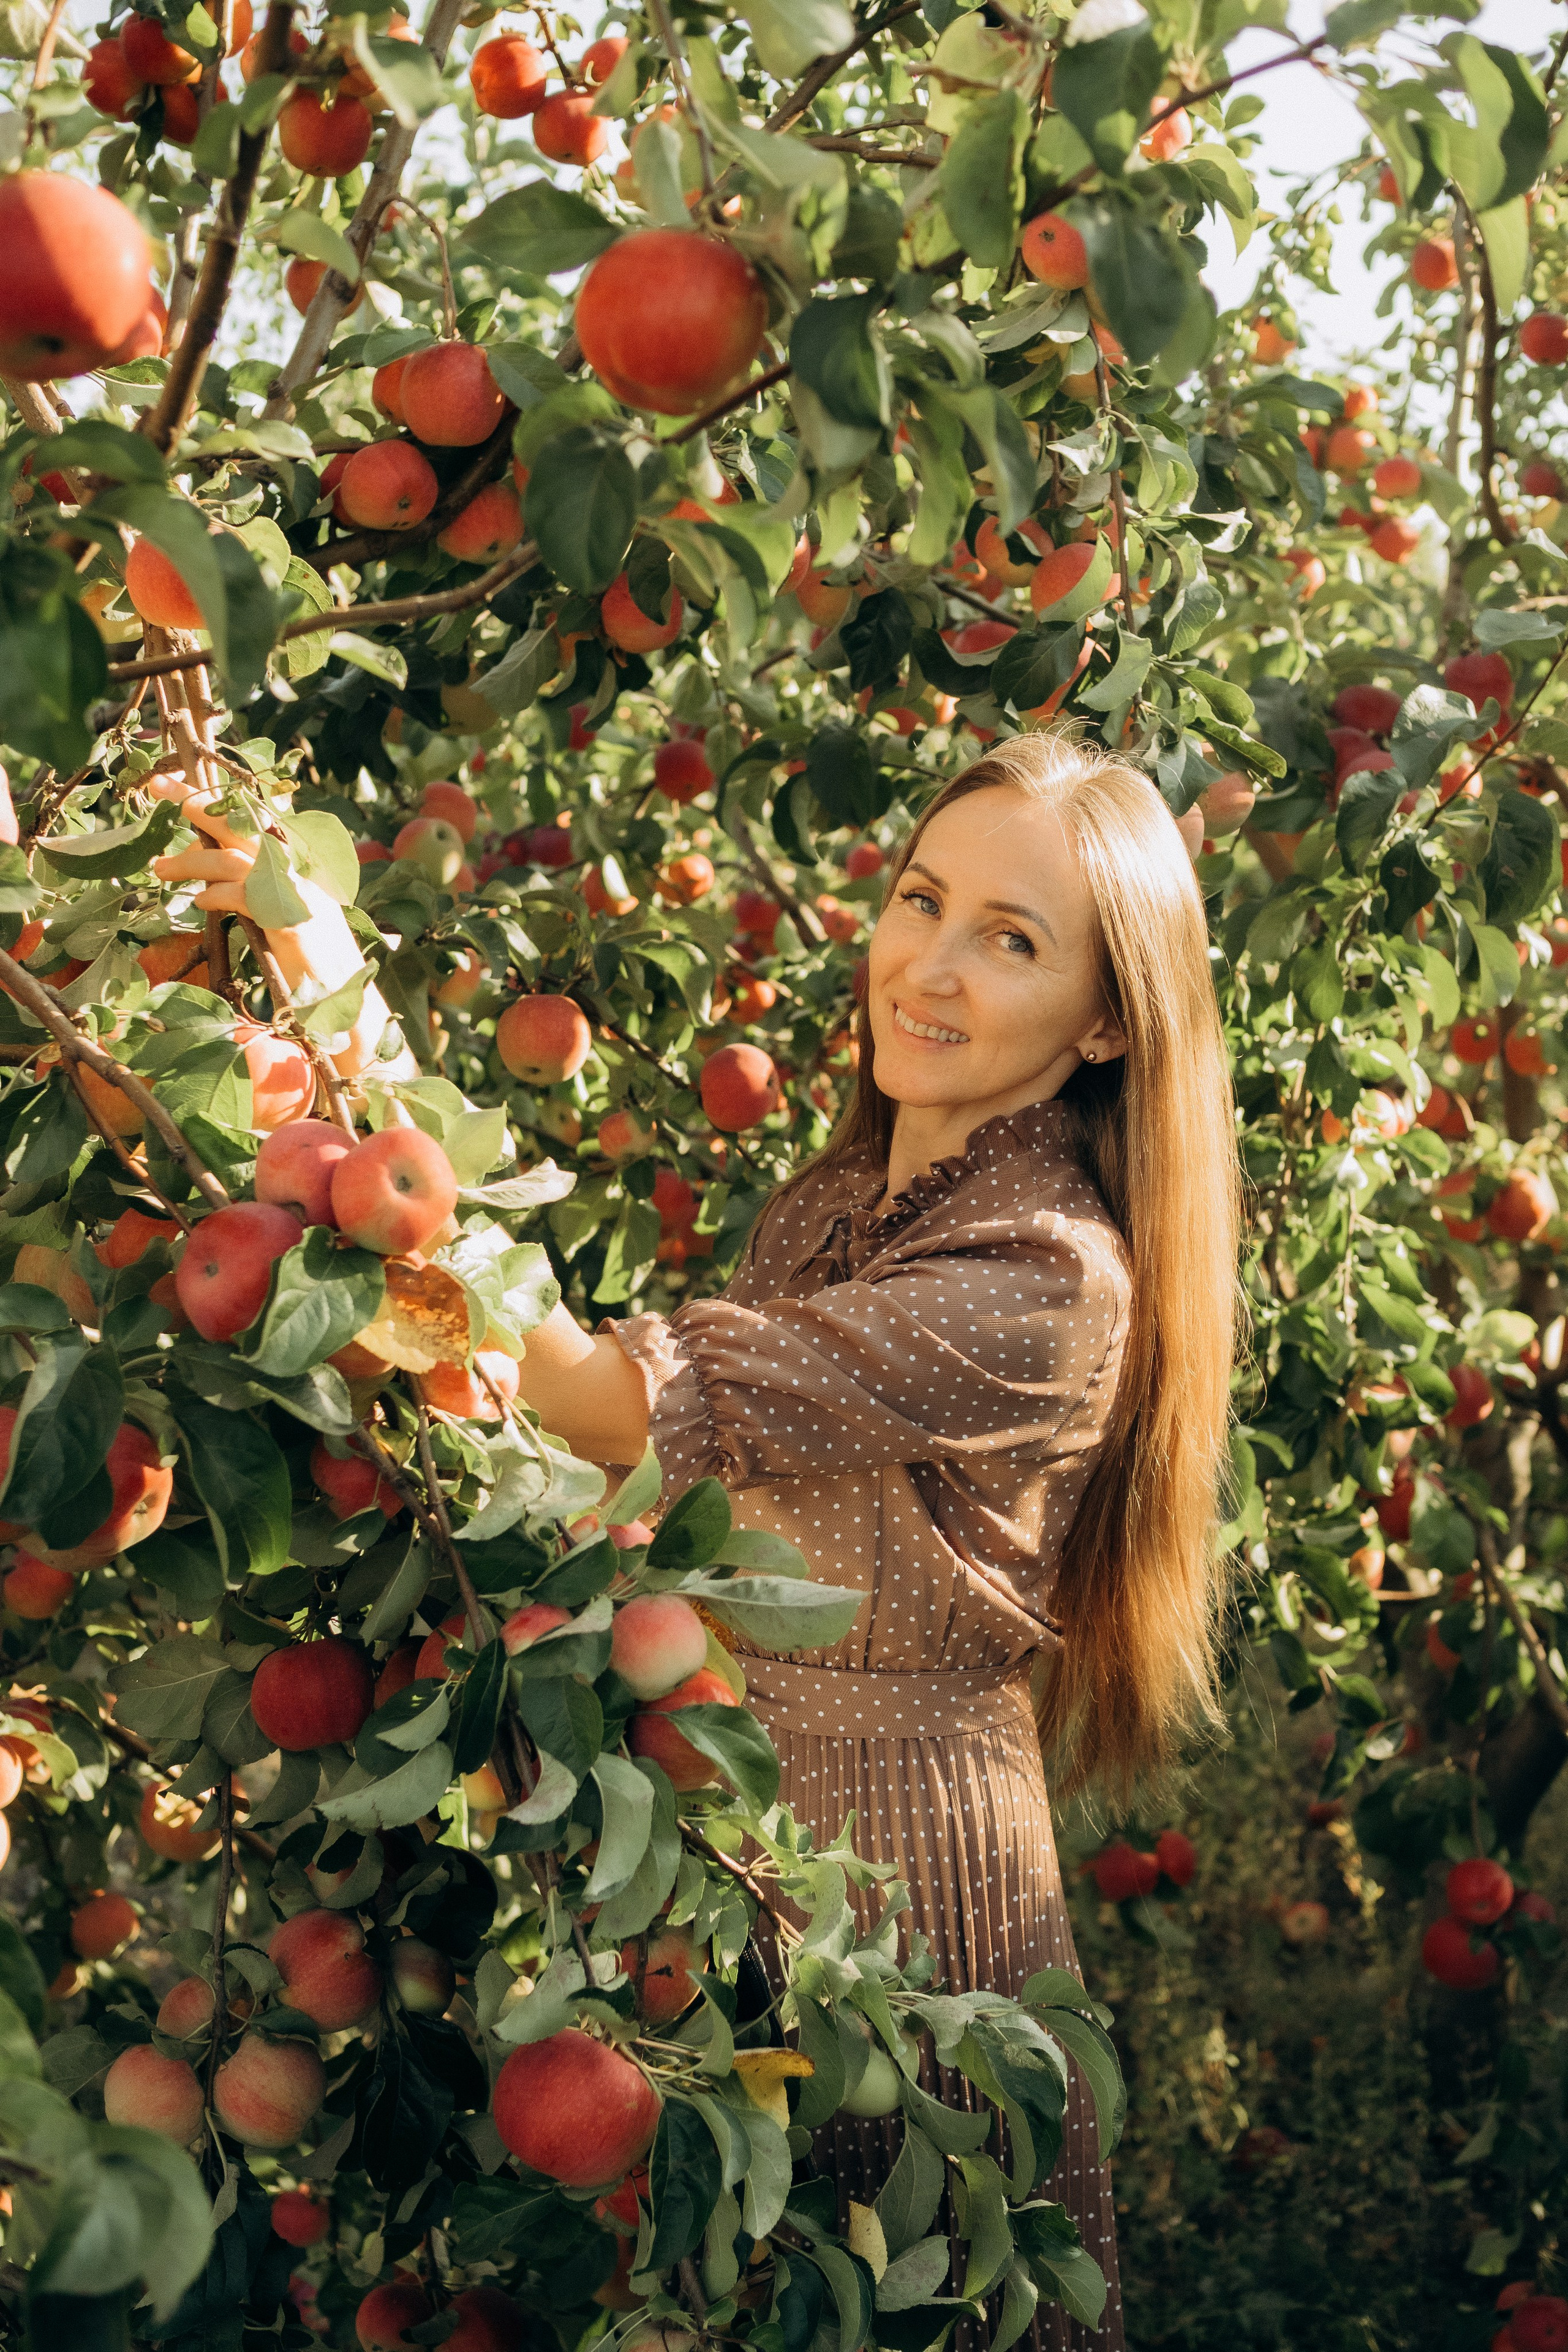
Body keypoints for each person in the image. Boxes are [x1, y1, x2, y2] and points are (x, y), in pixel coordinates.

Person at [512, 730, 1242, 2351]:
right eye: (923, 898)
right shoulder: (833, 1205)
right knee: (738, 2286)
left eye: (1015, 937)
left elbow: (598, 1402)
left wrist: (335, 1078)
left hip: (911, 1889)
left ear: (1110, 1018)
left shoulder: (1050, 1284)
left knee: (919, 2289)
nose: (928, 963)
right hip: (739, 1852)